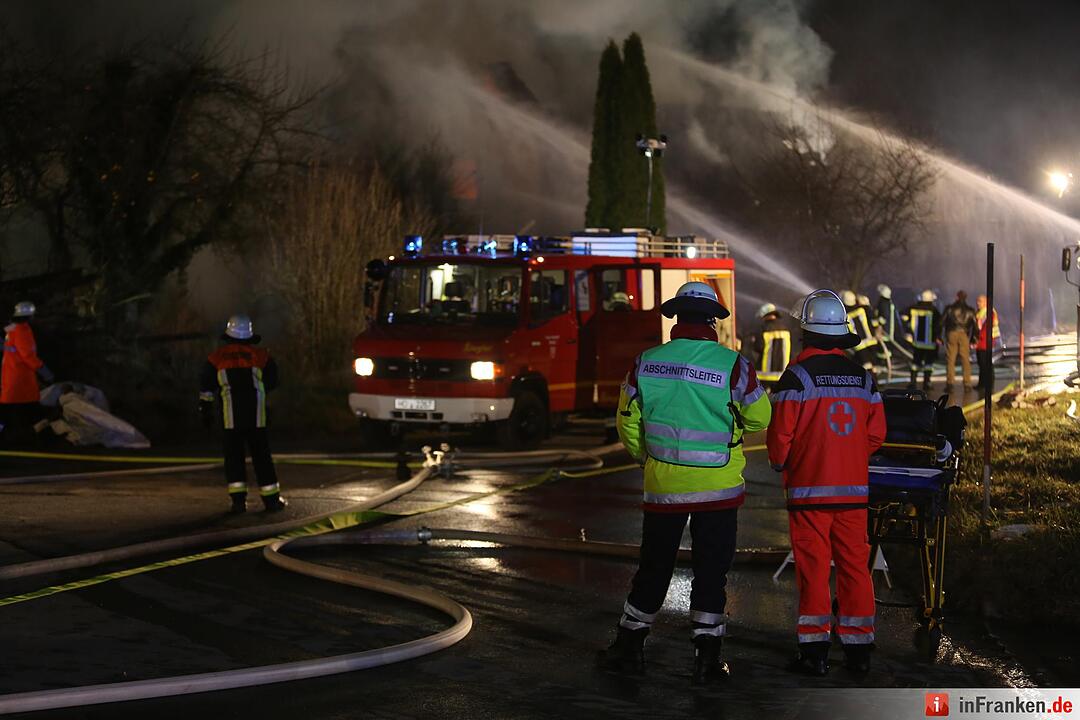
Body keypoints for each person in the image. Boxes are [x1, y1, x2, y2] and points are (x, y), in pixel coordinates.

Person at [598, 282, 772, 684]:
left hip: (663, 486)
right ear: (712, 321)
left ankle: (629, 648)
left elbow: (626, 420)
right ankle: (707, 660)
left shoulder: (646, 362)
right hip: (719, 489)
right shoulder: (733, 365)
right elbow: (761, 418)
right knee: (712, 572)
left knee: (653, 568)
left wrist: (649, 457)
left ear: (677, 318)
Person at [766, 289, 886, 676]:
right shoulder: (864, 378)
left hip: (809, 495)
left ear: (806, 335)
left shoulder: (796, 378)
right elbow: (876, 435)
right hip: (853, 495)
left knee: (814, 570)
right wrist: (849, 458)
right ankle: (859, 651)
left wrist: (784, 463)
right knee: (855, 567)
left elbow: (780, 437)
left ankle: (814, 653)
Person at [200, 314, 286, 514]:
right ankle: (271, 501)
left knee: (234, 458)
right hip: (257, 416)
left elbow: (206, 388)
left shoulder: (215, 358)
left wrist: (205, 411)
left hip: (230, 418)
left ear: (228, 335)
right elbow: (273, 382)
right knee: (262, 457)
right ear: (249, 336)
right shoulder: (262, 356)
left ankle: (238, 502)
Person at [1, 301, 54, 444]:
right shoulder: (23, 331)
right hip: (21, 377)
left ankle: (39, 435)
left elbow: (6, 341)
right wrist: (46, 373)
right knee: (30, 408)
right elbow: (28, 356)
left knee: (8, 408)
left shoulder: (11, 328)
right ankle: (45, 437)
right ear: (29, 316)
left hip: (9, 374)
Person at [903, 290, 942, 390]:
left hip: (917, 342)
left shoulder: (912, 308)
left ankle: (912, 382)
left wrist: (908, 330)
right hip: (930, 343)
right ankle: (927, 383)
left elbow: (903, 316)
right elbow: (939, 325)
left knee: (915, 362)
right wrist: (938, 337)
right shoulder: (934, 310)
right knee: (928, 364)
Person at [942, 291, 977, 391]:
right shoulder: (970, 310)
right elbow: (975, 325)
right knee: (965, 359)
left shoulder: (949, 309)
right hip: (964, 334)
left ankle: (950, 384)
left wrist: (939, 335)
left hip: (951, 333)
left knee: (950, 359)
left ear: (957, 297)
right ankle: (967, 384)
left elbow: (942, 321)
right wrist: (974, 338)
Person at [750, 302, 792, 385]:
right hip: (782, 375)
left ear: (765, 315)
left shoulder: (763, 329)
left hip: (764, 376)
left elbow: (758, 347)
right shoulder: (786, 330)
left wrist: (753, 341)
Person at [840, 290, 880, 372]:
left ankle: (872, 383)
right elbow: (874, 321)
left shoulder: (844, 315)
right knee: (872, 365)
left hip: (859, 345)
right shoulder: (863, 309)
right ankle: (873, 381)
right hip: (872, 341)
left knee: (867, 366)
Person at [974, 294, 1001, 392]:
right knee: (981, 364)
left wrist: (979, 337)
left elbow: (986, 328)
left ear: (985, 302)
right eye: (977, 301)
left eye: (980, 301)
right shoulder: (980, 313)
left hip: (986, 342)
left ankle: (988, 384)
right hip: (980, 342)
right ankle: (982, 384)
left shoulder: (989, 313)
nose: (978, 303)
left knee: (986, 364)